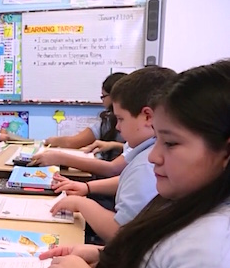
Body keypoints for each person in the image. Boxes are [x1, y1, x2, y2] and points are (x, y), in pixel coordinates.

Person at [40, 60, 230, 268]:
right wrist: (103, 256)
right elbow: (158, 265)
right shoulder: (188, 201)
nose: (153, 156)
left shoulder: (213, 246)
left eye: (171, 143)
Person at [49, 66, 176, 242]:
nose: (117, 127)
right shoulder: (146, 153)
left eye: (121, 119)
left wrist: (82, 203)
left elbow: (120, 233)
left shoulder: (146, 164)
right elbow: (128, 180)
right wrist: (87, 188)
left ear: (147, 117)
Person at [44, 72, 127, 161]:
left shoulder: (108, 122)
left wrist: (51, 141)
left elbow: (71, 143)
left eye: (103, 96)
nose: (118, 126)